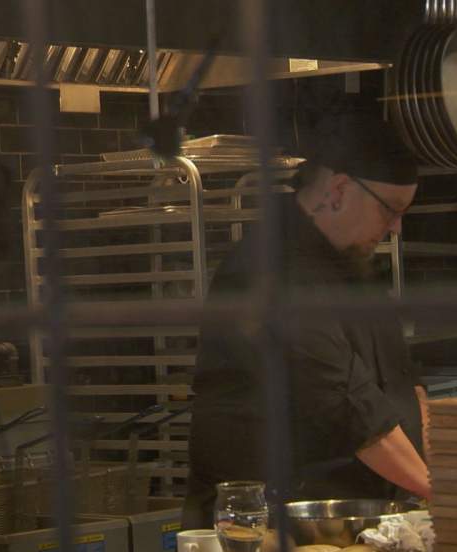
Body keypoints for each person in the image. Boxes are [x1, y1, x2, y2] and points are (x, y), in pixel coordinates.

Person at [182, 114, 432, 530]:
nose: (396, 228)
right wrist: (440, 493)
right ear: (338, 190)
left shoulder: (350, 257)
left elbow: (400, 379)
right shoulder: (271, 269)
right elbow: (350, 406)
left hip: (347, 517)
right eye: (391, 211)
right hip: (268, 528)